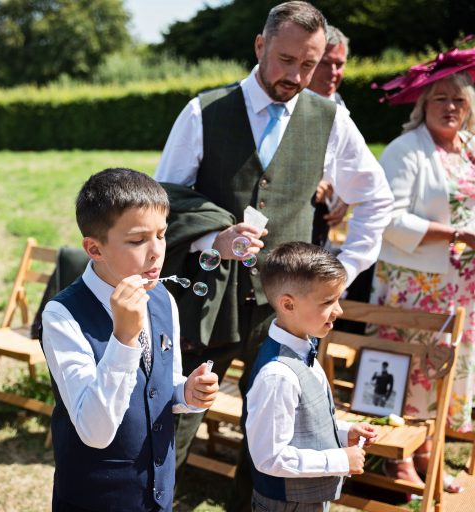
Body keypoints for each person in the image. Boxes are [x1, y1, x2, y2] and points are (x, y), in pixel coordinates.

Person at [154, 2, 393, 507]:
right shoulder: (204, 112)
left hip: (287, 309)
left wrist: (342, 273)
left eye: (309, 64)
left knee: (276, 430)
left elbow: (376, 197)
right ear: (261, 46)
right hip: (208, 300)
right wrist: (210, 237)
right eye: (286, 60)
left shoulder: (331, 119)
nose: (296, 75)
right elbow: (163, 199)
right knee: (173, 423)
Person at [41, 168, 220, 512]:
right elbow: (95, 431)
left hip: (156, 497)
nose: (156, 252)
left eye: (162, 235)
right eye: (138, 241)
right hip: (96, 500)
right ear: (95, 248)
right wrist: (123, 339)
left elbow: (160, 385)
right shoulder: (62, 316)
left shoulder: (163, 298)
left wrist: (186, 392)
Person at [369, 49, 475, 494]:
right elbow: (386, 219)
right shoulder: (405, 149)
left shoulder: (469, 149)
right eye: (440, 99)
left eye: (459, 100)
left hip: (460, 288)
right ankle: (401, 461)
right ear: (422, 105)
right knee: (412, 372)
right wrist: (455, 234)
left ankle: (431, 453)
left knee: (445, 373)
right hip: (414, 286)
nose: (450, 107)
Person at [246, 241, 377, 511]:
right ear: (288, 304)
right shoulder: (277, 375)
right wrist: (339, 460)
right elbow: (269, 457)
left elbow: (299, 423)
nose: (339, 310)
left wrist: (342, 430)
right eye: (328, 301)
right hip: (287, 504)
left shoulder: (303, 348)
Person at [309, 25, 350, 248]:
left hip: (325, 219)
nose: (333, 72)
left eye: (340, 64)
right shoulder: (287, 104)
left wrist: (345, 196)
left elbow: (348, 158)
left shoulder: (339, 102)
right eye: (325, 63)